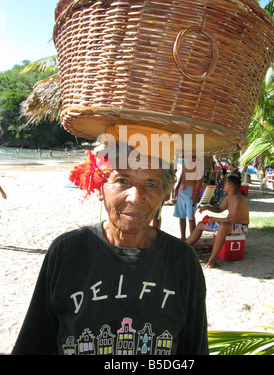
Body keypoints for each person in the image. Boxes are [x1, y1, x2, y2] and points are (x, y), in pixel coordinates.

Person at [12, 142, 208, 355]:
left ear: (165, 193)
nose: (136, 197)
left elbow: (194, 349)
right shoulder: (66, 253)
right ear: (99, 188)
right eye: (122, 180)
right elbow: (35, 343)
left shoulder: (182, 261)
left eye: (151, 184)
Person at [187, 175, 249, 268]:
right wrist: (207, 208)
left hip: (241, 227)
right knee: (201, 224)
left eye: (226, 183)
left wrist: (214, 219)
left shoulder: (237, 199)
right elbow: (220, 209)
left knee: (223, 227)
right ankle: (186, 246)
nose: (224, 184)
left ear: (231, 186)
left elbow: (233, 220)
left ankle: (212, 259)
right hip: (230, 224)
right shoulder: (229, 197)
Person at [173, 157, 203, 240]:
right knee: (181, 215)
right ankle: (183, 238)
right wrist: (177, 187)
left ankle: (192, 240)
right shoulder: (184, 160)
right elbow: (182, 174)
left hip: (191, 190)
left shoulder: (198, 161)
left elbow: (200, 180)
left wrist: (196, 195)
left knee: (191, 217)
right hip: (182, 189)